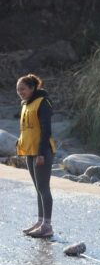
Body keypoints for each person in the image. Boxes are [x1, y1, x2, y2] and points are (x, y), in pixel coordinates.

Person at [15, 74, 56, 238]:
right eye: (18, 89)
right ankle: (40, 222)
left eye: (23, 89)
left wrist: (41, 154)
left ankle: (47, 225)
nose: (20, 92)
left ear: (32, 88)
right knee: (38, 189)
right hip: (30, 151)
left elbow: (46, 130)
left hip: (42, 151)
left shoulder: (43, 103)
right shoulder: (26, 104)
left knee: (44, 188)